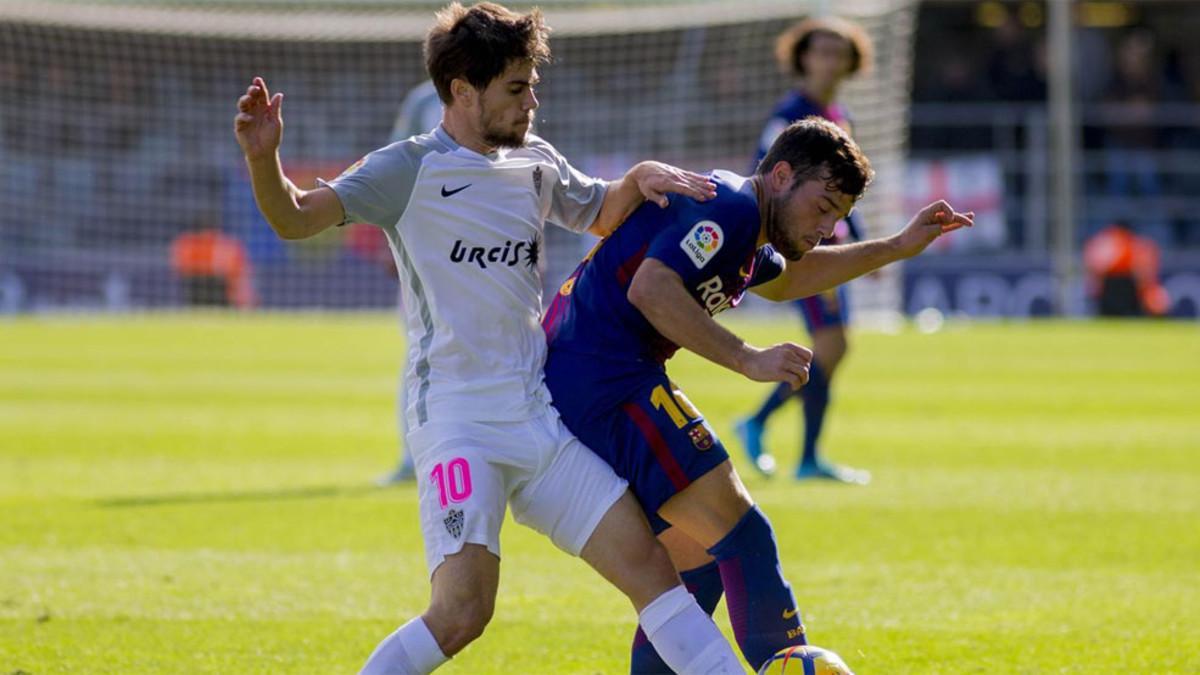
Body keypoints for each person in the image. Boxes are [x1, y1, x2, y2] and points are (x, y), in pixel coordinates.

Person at [232, 3, 745, 674]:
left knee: (652, 567)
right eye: (515, 87)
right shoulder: (404, 169)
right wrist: (264, 160)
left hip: (536, 415)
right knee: (463, 612)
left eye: (532, 84)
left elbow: (597, 208)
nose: (532, 101)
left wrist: (640, 174)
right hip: (457, 420)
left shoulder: (534, 162)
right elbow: (295, 219)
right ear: (462, 92)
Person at [542, 117, 972, 672]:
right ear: (782, 174)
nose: (826, 227)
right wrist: (747, 357)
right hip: (604, 380)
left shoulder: (746, 223)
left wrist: (895, 246)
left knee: (696, 558)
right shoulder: (732, 208)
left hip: (589, 375)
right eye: (822, 208)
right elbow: (650, 288)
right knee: (745, 535)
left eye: (837, 218)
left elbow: (791, 279)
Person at [734, 16, 874, 483]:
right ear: (803, 56)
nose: (831, 61)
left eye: (840, 52)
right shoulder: (791, 114)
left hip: (829, 243)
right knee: (832, 345)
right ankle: (768, 429)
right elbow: (765, 173)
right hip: (802, 246)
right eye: (822, 50)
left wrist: (861, 237)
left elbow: (843, 191)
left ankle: (803, 452)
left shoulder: (840, 116)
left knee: (834, 347)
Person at [375, 80, 444, 486]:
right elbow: (393, 165)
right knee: (420, 351)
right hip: (424, 246)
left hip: (488, 252)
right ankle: (412, 458)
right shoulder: (422, 99)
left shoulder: (502, 94)